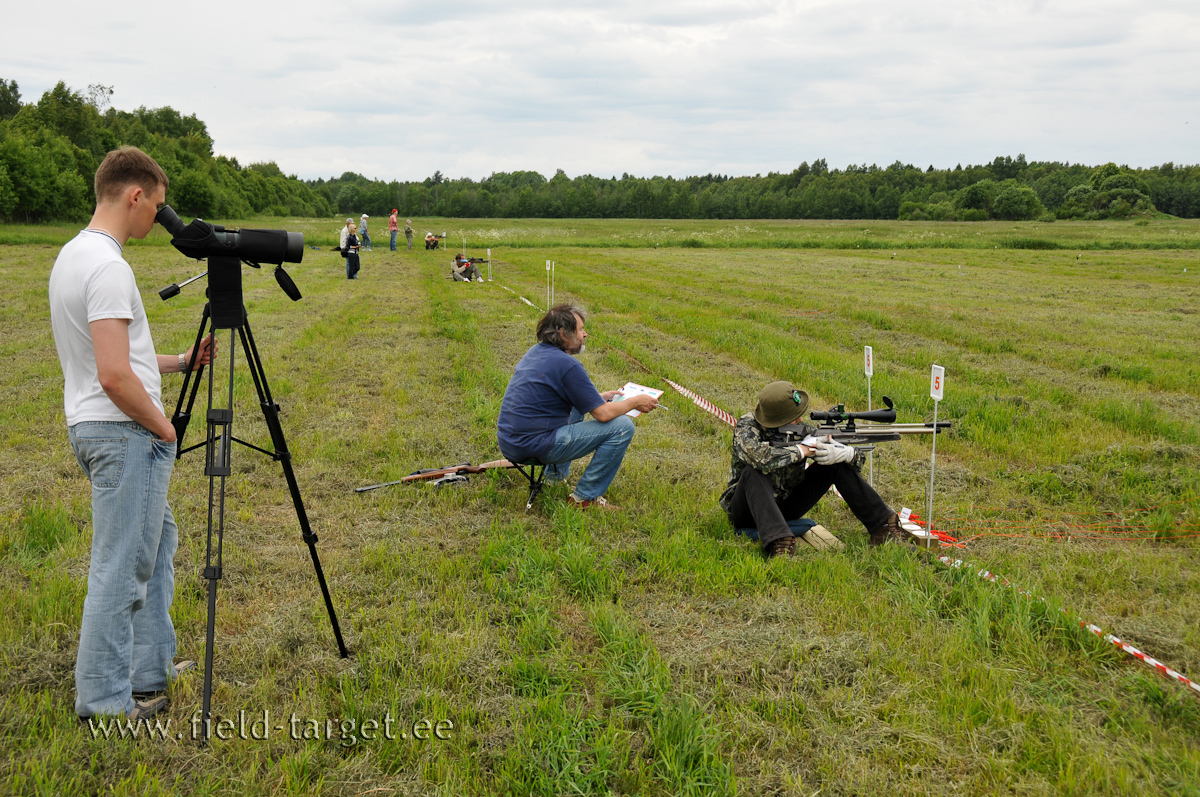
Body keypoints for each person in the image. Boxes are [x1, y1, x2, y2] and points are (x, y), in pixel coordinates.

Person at [48, 145, 215, 721]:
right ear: (135, 195)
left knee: (157, 545)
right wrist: (164, 428)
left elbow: (117, 359)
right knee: (121, 563)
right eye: (157, 206)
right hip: (124, 433)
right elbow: (115, 375)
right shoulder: (111, 266)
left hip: (94, 424)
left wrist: (177, 361)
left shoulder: (74, 255)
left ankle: (150, 665)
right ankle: (104, 701)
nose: (159, 219)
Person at [720, 380, 917, 558]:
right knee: (753, 471)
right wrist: (802, 450)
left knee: (834, 465)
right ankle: (779, 542)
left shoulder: (802, 431)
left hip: (786, 504)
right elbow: (759, 458)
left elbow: (858, 460)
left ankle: (883, 527)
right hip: (746, 510)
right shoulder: (747, 426)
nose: (800, 421)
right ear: (778, 419)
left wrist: (847, 454)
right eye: (794, 417)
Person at [497, 305, 658, 510]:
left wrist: (596, 397)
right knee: (622, 426)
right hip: (533, 446)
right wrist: (635, 402)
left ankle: (554, 479)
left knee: (577, 404)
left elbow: (552, 395)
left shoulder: (536, 352)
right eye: (581, 329)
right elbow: (603, 414)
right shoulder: (568, 365)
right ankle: (585, 498)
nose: (585, 334)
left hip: (511, 442)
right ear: (564, 334)